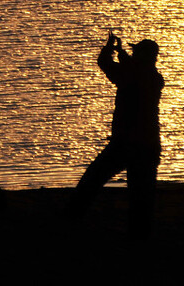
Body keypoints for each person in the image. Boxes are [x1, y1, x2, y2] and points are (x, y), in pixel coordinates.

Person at [66, 32, 163, 238]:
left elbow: (116, 67)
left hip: (128, 145)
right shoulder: (149, 77)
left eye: (136, 51)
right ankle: (140, 237)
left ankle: (69, 220)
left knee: (93, 181)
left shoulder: (140, 77)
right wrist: (117, 51)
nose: (133, 54)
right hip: (145, 146)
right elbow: (117, 67)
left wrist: (115, 51)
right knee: (140, 195)